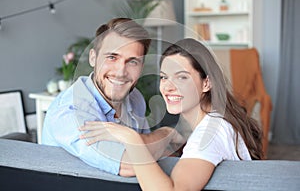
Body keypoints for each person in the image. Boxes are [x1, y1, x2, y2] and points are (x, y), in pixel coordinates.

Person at [79, 38, 263, 190]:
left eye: (182, 77)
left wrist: (132, 139)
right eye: (164, 77)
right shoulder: (215, 123)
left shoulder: (210, 132)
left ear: (206, 83)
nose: (168, 86)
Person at [42, 18, 179, 177]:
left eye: (132, 61)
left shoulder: (134, 97)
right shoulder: (71, 111)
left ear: (141, 67)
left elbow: (148, 145)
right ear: (93, 58)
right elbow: (135, 163)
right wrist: (168, 134)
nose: (121, 72)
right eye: (112, 57)